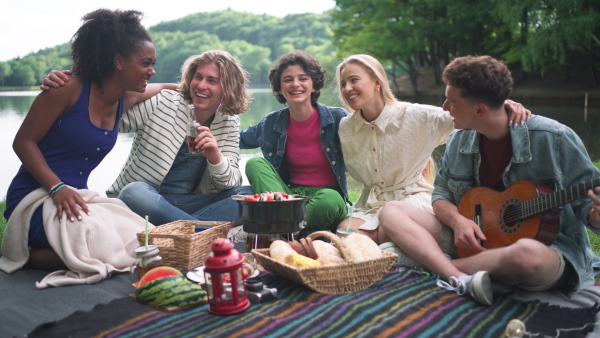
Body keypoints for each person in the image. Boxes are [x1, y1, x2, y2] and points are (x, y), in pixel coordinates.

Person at [378, 55, 600, 305]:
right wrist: (459, 222)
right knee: (391, 211)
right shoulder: (458, 139)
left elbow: (589, 205)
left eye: (451, 102)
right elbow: (440, 195)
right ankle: (457, 277)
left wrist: (595, 215)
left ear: (480, 109)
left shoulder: (555, 139)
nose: (444, 108)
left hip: (549, 249)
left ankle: (432, 266)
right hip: (475, 239)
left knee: (525, 254)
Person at [2, 9, 166, 273]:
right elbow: (23, 142)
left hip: (79, 199)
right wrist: (57, 188)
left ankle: (52, 255)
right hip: (36, 197)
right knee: (98, 237)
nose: (152, 71)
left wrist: (193, 88)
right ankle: (27, 256)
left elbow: (165, 88)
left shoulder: (125, 98)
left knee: (142, 235)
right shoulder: (66, 89)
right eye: (146, 63)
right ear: (119, 61)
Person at [333, 54, 530, 250]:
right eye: (343, 84)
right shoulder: (345, 127)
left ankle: (402, 257)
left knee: (386, 233)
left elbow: (467, 115)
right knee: (345, 234)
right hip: (372, 204)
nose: (347, 88)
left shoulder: (414, 115)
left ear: (377, 82)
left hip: (412, 199)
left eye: (354, 80)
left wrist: (503, 106)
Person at [42, 50, 255, 226]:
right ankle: (201, 232)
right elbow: (109, 117)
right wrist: (74, 90)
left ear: (227, 88)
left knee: (250, 195)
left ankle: (183, 229)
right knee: (134, 192)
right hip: (145, 200)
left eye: (212, 81)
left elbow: (230, 182)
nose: (201, 85)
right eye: (198, 77)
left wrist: (215, 157)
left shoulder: (228, 120)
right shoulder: (163, 102)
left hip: (187, 203)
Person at [239, 50, 349, 237]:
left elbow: (365, 140)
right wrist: (206, 126)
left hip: (326, 197)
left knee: (329, 201)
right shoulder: (271, 123)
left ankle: (283, 224)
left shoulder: (337, 118)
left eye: (303, 78)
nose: (295, 84)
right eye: (288, 79)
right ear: (280, 88)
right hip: (287, 195)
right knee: (254, 163)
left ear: (314, 85)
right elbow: (239, 138)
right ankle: (295, 227)